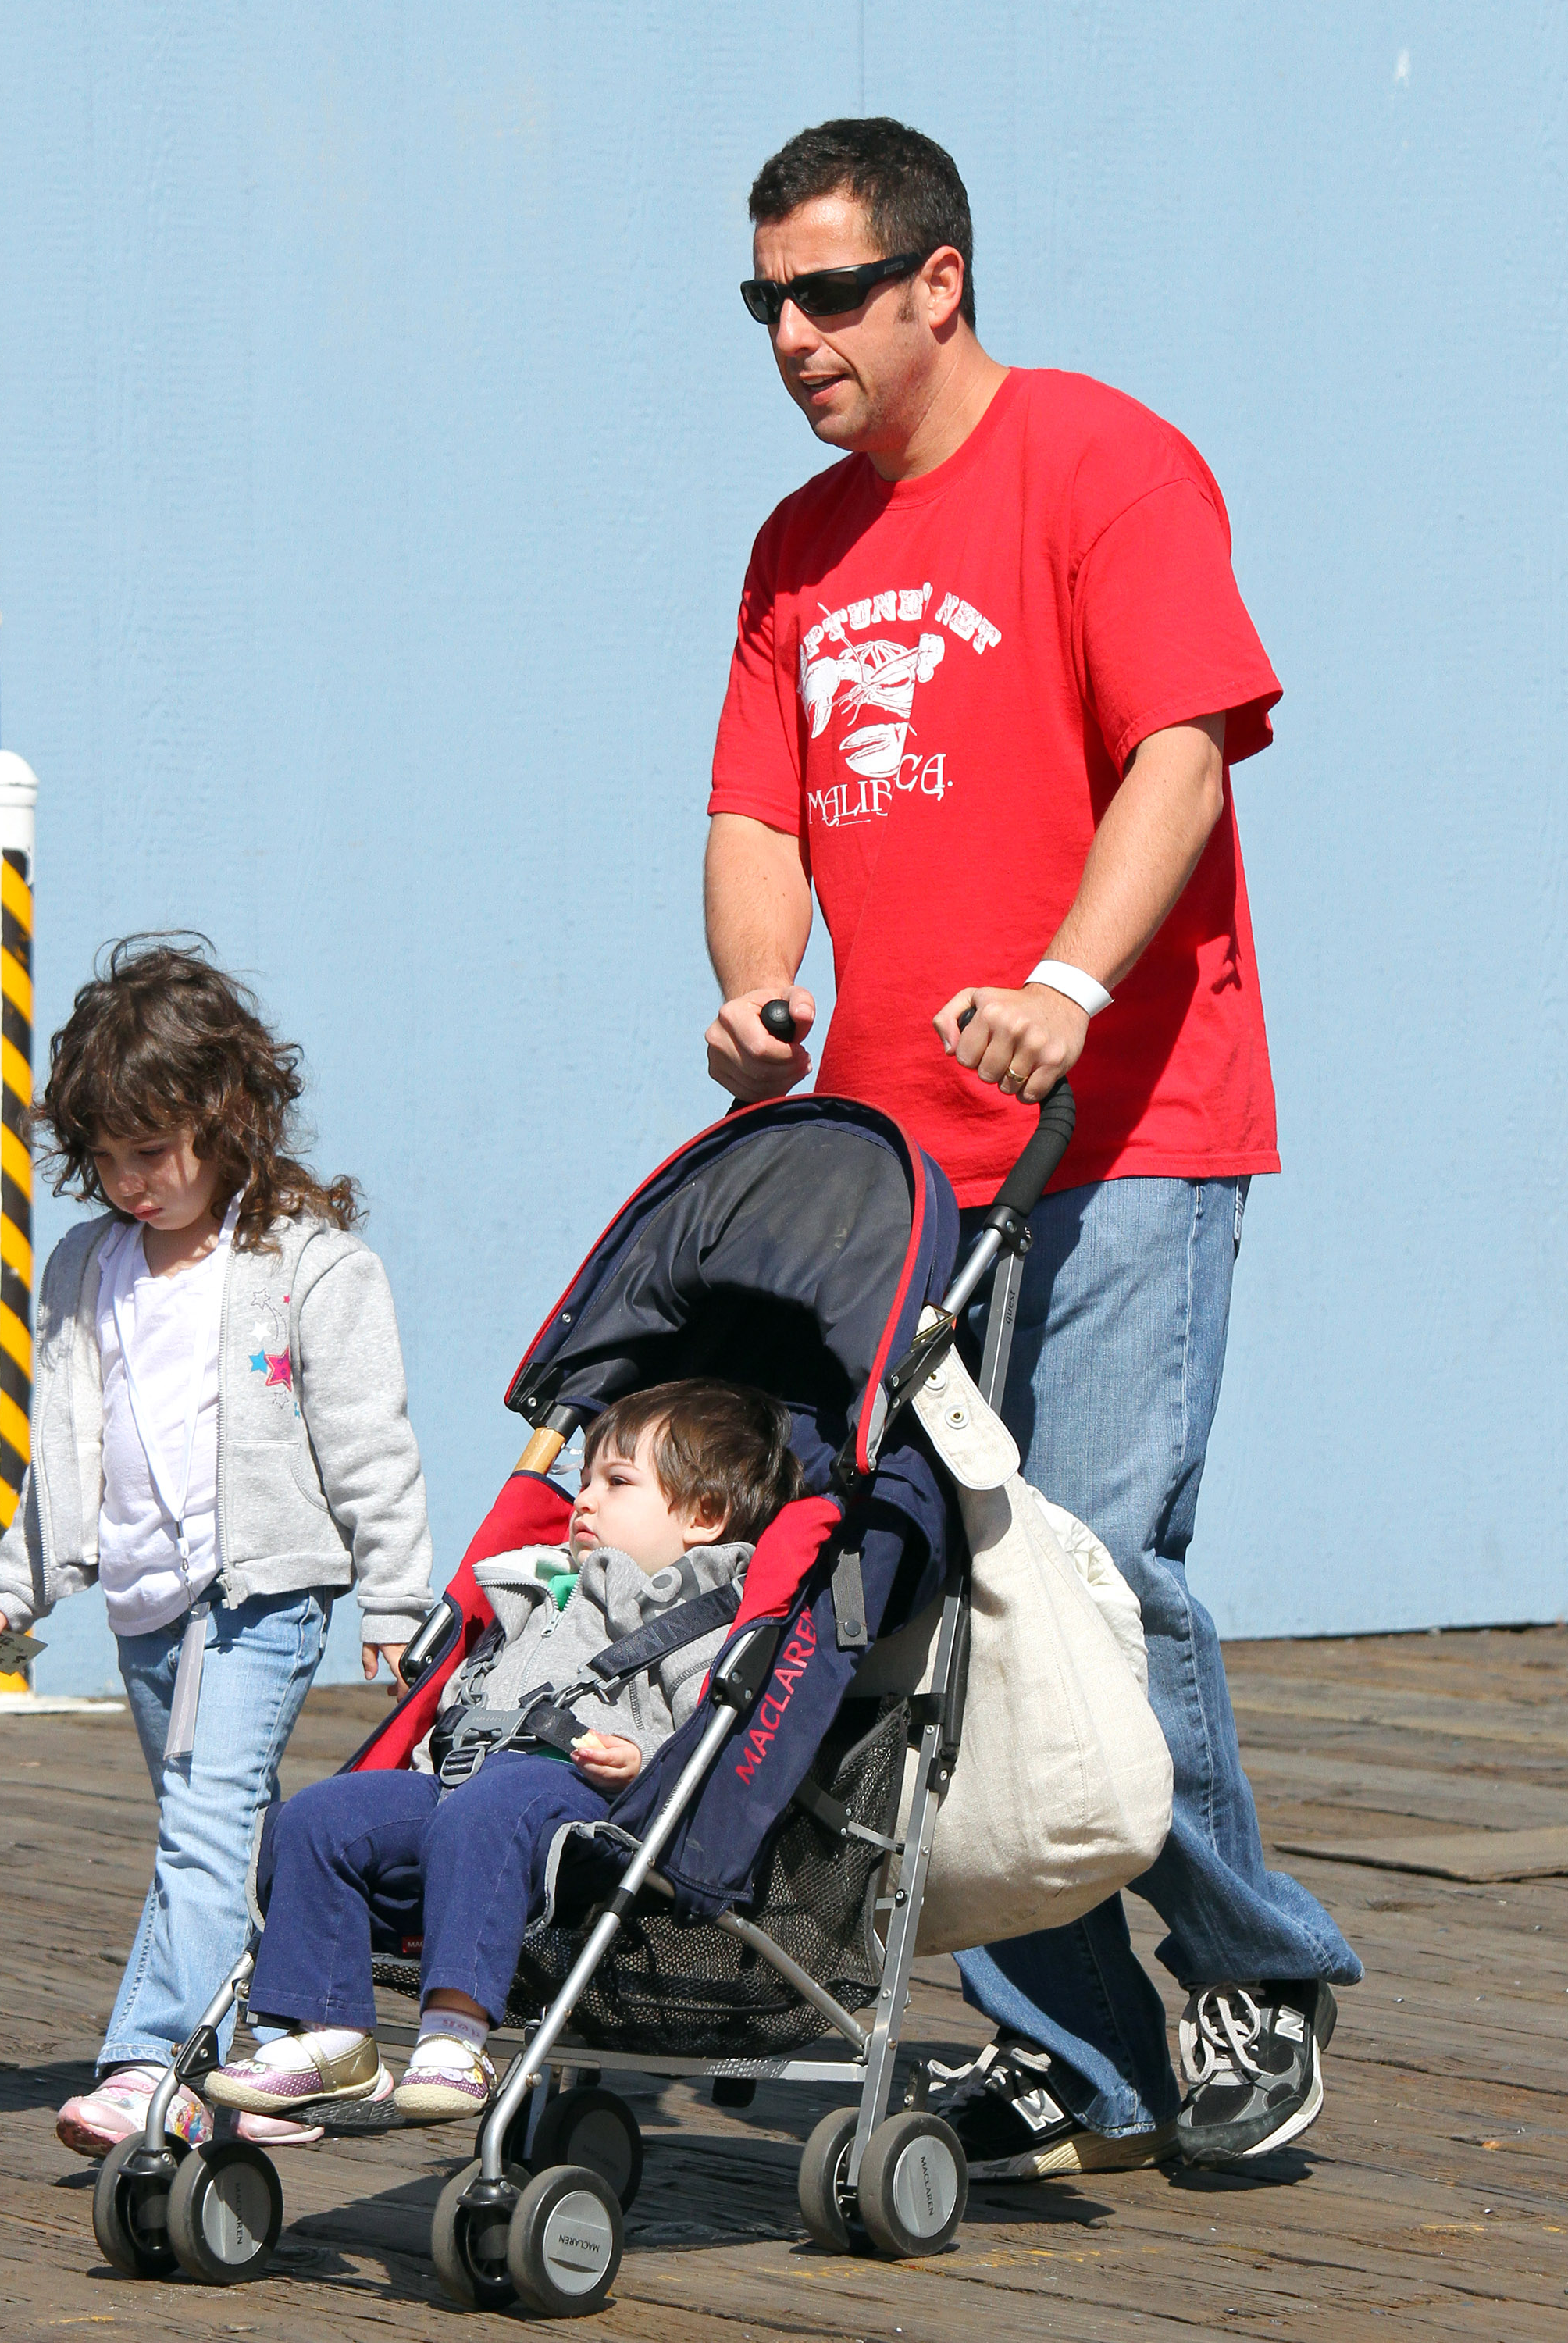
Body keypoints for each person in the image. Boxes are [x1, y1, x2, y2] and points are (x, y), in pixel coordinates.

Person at [703, 116, 1360, 2176]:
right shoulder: (797, 550)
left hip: (1122, 1114)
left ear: (934, 282)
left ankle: (1251, 1966)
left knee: (1086, 1571)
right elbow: (757, 820)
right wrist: (753, 991)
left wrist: (1066, 983)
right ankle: (1076, 2055)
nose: (790, 336)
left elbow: (1179, 745)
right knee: (929, 1599)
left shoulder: (1096, 462)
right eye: (761, 302)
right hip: (901, 1164)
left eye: (822, 293)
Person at [0, 937, 433, 2159]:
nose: (130, 1183)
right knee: (234, 1828)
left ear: (229, 1116)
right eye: (105, 1159)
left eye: (152, 1152)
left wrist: (396, 1593)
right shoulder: (85, 1269)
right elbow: (60, 1454)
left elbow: (371, 1440)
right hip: (146, 1605)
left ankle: (148, 2063)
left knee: (201, 1831)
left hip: (262, 1594)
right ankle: (283, 2057)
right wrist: (9, 1594)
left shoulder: (307, 1266)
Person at [203, 1380, 804, 2124]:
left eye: (617, 1483)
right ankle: (329, 2035)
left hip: (579, 1805)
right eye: (582, 1479)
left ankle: (456, 2035)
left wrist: (640, 1758)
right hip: (460, 1780)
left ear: (705, 1518)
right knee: (319, 1818)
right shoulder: (538, 1585)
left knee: (492, 1808)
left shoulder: (701, 1609)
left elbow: (704, 1736)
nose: (584, 1499)